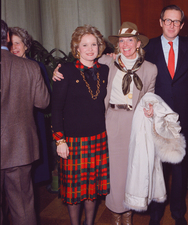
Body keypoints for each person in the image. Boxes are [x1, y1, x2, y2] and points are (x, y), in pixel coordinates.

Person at [53, 22, 158, 225]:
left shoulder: (150, 69)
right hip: (110, 121)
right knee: (115, 173)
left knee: (133, 171)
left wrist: (152, 108)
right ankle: (117, 212)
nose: (125, 44)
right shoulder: (108, 63)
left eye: (130, 40)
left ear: (138, 43)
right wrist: (58, 69)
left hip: (136, 123)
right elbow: (80, 62)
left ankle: (129, 212)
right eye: (121, 41)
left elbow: (150, 97)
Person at [144, 5, 188, 225]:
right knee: (158, 167)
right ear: (160, 22)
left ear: (182, 25)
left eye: (176, 22)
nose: (172, 25)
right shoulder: (148, 47)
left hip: (183, 117)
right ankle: (155, 213)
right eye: (168, 21)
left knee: (180, 167)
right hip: (156, 117)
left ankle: (178, 212)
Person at [51, 25, 109, 225]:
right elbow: (56, 109)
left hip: (99, 138)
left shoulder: (105, 70)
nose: (90, 49)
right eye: (85, 45)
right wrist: (60, 141)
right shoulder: (64, 70)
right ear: (77, 48)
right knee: (75, 192)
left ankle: (90, 223)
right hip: (73, 141)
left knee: (92, 190)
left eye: (94, 44)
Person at [1, 20, 50, 225]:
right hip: (19, 148)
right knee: (22, 206)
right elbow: (43, 102)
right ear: (7, 37)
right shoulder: (30, 67)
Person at [9, 26, 52, 184]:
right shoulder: (7, 67)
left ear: (26, 45)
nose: (14, 48)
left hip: (35, 116)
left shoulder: (36, 66)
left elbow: (45, 98)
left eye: (18, 43)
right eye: (11, 44)